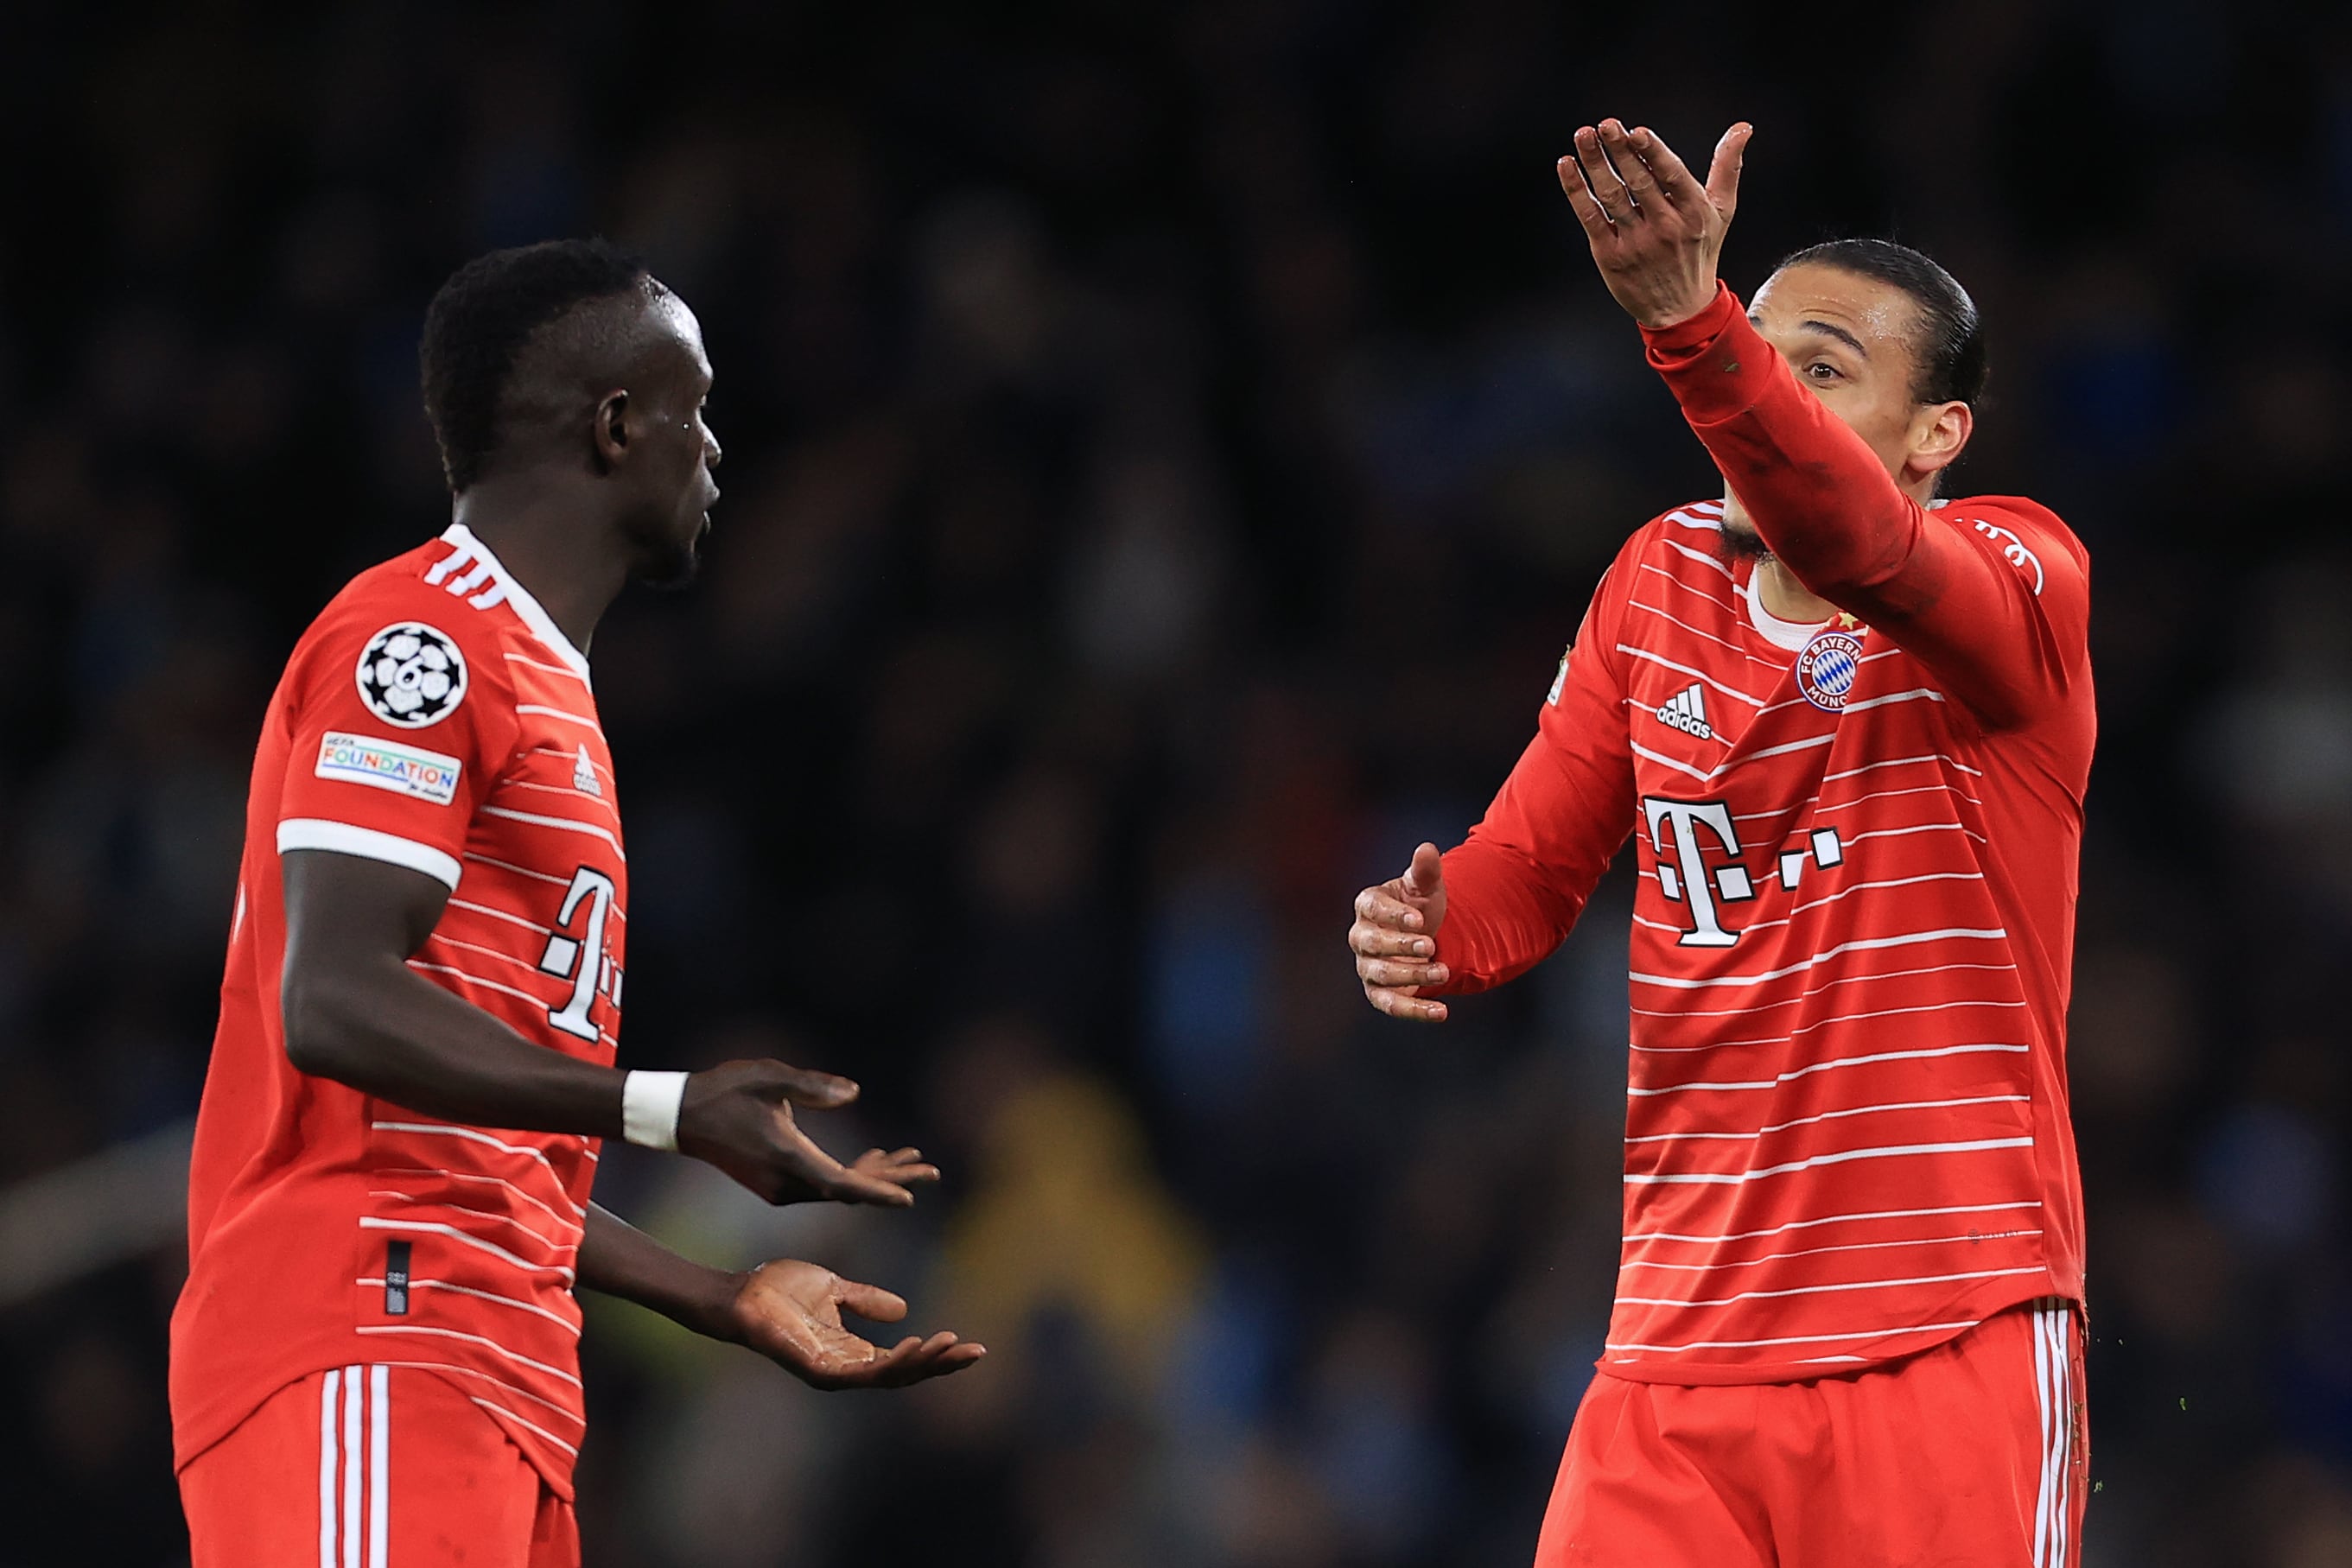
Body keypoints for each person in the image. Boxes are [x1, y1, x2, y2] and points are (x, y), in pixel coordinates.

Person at [170, 239, 983, 1568]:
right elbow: (329, 997)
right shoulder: (418, 641)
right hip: (369, 1340)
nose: (714, 449)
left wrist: (721, 1297)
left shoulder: (557, 698)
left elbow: (474, 1137)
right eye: (694, 409)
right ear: (615, 427)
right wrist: (667, 1109)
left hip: (502, 1378)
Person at [1347, 121, 2094, 1567]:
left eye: (1820, 371)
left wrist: (1692, 331)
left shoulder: (2020, 582)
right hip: (1674, 1358)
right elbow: (1529, 866)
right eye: (1760, 351)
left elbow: (1862, 545)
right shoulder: (1659, 578)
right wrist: (1428, 924)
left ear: (1935, 436)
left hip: (1941, 1327)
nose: (1762, 395)